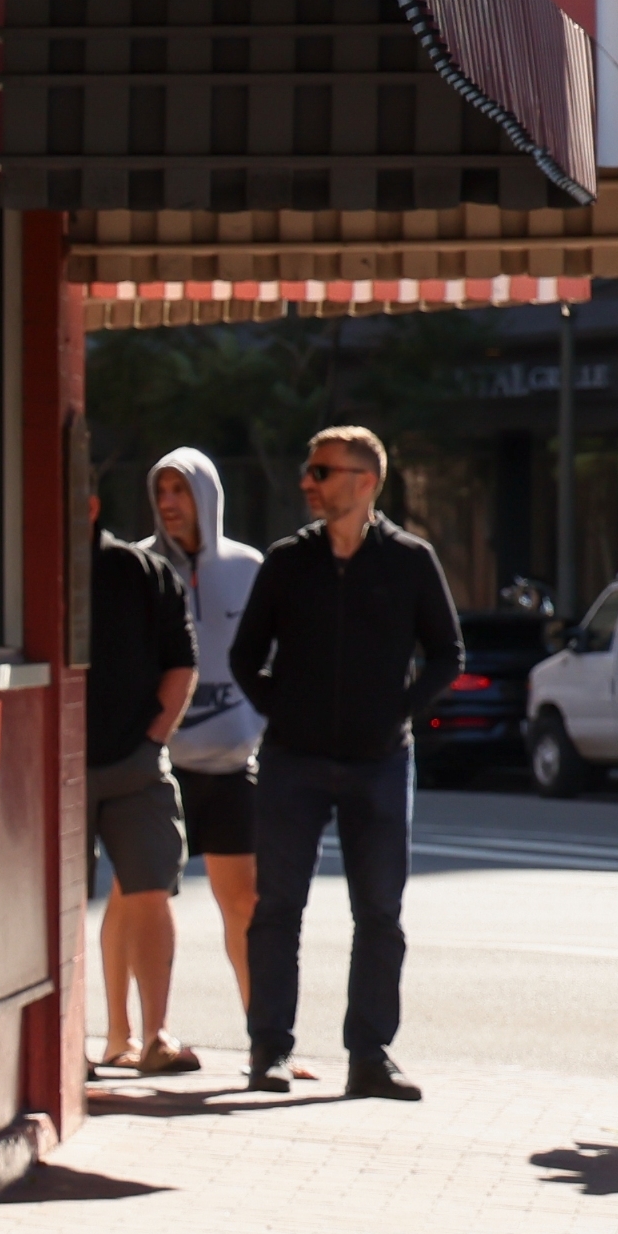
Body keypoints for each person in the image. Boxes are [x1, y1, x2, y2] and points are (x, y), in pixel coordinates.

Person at [221, 423, 457, 1099]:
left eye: (322, 471)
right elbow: (244, 656)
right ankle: (269, 1050)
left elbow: (448, 654)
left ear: (365, 481)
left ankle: (370, 1056)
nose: (309, 482)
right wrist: (282, 709)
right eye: (310, 470)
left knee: (379, 913)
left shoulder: (410, 560)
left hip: (380, 763)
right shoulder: (288, 560)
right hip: (293, 761)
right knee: (277, 911)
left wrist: (398, 712)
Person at [149, 446, 269, 1042]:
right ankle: (135, 1035)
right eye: (161, 491)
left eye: (181, 491)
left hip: (231, 767)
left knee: (245, 906)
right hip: (158, 770)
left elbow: (280, 657)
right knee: (140, 900)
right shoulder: (142, 567)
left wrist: (263, 724)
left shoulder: (249, 568)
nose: (170, 503)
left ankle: (265, 1040)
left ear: (207, 498)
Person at [86, 481, 204, 1073]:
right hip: (53, 771)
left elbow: (182, 662)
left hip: (134, 762)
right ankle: (101, 1037)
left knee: (151, 890)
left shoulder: (141, 572)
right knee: (49, 904)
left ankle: (155, 1035)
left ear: (90, 506)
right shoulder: (23, 569)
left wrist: (154, 737)